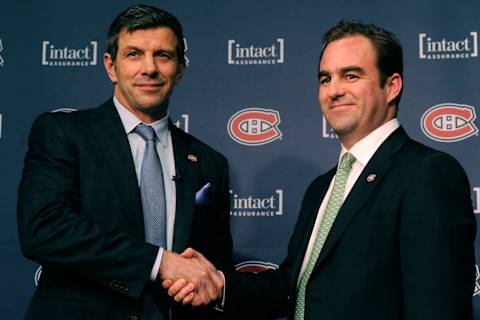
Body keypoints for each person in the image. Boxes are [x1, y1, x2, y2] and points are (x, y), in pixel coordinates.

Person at [165, 21, 477, 319]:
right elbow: (292, 288)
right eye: (326, 78)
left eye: (351, 76)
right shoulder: (321, 188)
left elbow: (438, 308)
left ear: (391, 86)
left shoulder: (428, 174)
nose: (334, 90)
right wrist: (219, 284)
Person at [17, 4, 231, 320]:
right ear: (111, 67)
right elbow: (44, 229)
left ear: (180, 70)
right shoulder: (63, 132)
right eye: (134, 54)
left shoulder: (210, 163)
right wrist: (160, 262)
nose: (150, 68)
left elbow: (211, 267)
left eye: (163, 55)